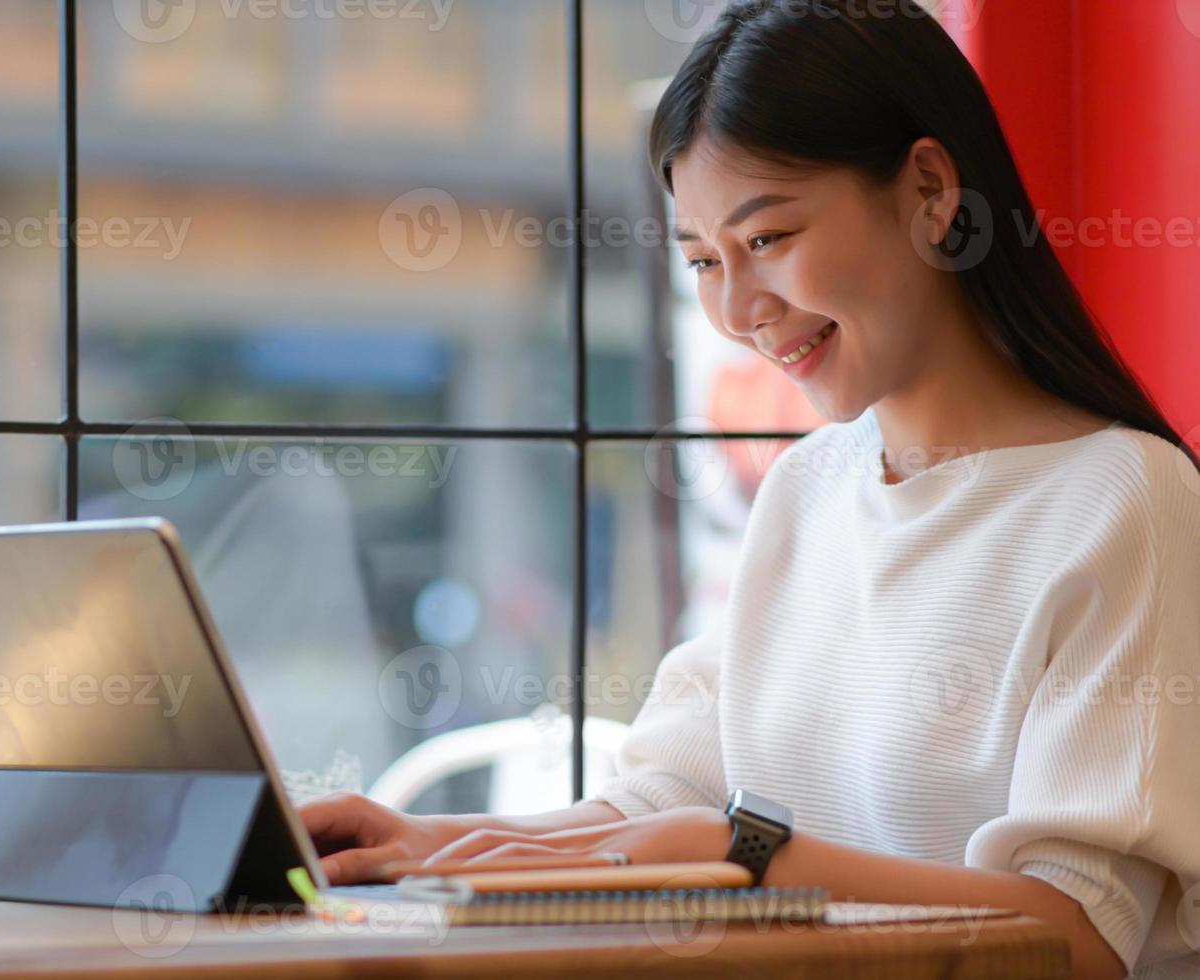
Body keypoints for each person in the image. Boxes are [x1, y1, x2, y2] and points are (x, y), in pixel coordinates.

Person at [299, 3, 1200, 978]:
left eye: (767, 237)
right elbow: (661, 802)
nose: (737, 310)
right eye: (701, 262)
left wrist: (741, 856)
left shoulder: (1125, 500)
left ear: (933, 191)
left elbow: (1079, 933)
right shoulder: (808, 488)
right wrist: (421, 840)